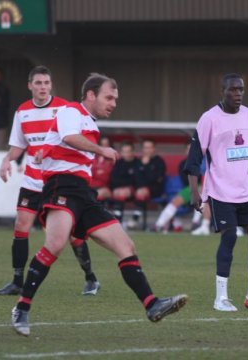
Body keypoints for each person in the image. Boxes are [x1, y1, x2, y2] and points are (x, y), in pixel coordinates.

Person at [10, 73, 187, 336]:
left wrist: (48, 150)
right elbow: (69, 137)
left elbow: (62, 144)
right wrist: (101, 150)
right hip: (62, 186)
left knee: (126, 245)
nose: (113, 103)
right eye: (109, 97)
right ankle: (22, 308)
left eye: (115, 98)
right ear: (91, 95)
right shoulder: (71, 110)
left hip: (84, 193)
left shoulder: (91, 125)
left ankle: (152, 304)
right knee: (56, 244)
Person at [0, 65, 100, 297]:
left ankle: (90, 278)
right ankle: (16, 281)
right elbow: (17, 146)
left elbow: (76, 139)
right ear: (30, 86)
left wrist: (50, 149)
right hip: (33, 180)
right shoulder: (22, 112)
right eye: (38, 83)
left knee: (71, 235)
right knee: (21, 226)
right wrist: (6, 160)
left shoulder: (65, 108)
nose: (43, 87)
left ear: (51, 85)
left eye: (46, 83)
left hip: (58, 180)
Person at [184, 73, 248, 312]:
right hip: (219, 191)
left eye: (241, 90)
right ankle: (221, 298)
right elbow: (195, 157)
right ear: (222, 91)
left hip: (246, 191)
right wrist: (195, 191)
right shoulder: (209, 118)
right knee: (228, 238)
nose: (237, 94)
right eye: (233, 90)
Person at [154, 141, 202, 232]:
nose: (191, 151)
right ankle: (159, 225)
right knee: (176, 200)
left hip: (207, 190)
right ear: (185, 151)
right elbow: (185, 180)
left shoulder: (202, 162)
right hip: (191, 189)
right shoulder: (183, 164)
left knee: (201, 192)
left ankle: (196, 223)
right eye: (188, 149)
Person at [129, 139, 166, 229]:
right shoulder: (137, 162)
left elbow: (156, 179)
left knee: (142, 192)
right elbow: (136, 179)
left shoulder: (159, 162)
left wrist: (145, 166)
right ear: (143, 149)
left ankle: (134, 219)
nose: (148, 150)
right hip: (139, 189)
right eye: (146, 148)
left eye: (150, 147)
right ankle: (132, 219)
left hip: (156, 190)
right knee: (139, 192)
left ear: (154, 149)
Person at [110, 141, 140, 222]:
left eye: (129, 151)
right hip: (118, 188)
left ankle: (118, 219)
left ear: (133, 152)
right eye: (124, 152)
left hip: (134, 190)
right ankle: (117, 218)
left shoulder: (138, 163)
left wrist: (126, 186)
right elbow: (114, 179)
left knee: (122, 193)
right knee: (118, 192)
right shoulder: (118, 163)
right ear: (121, 153)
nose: (127, 154)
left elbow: (137, 180)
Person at [91, 136, 114, 205]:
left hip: (106, 188)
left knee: (96, 195)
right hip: (91, 187)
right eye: (102, 145)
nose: (104, 148)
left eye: (106, 145)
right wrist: (99, 172)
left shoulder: (113, 160)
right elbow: (90, 174)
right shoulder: (94, 158)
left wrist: (97, 172)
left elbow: (107, 178)